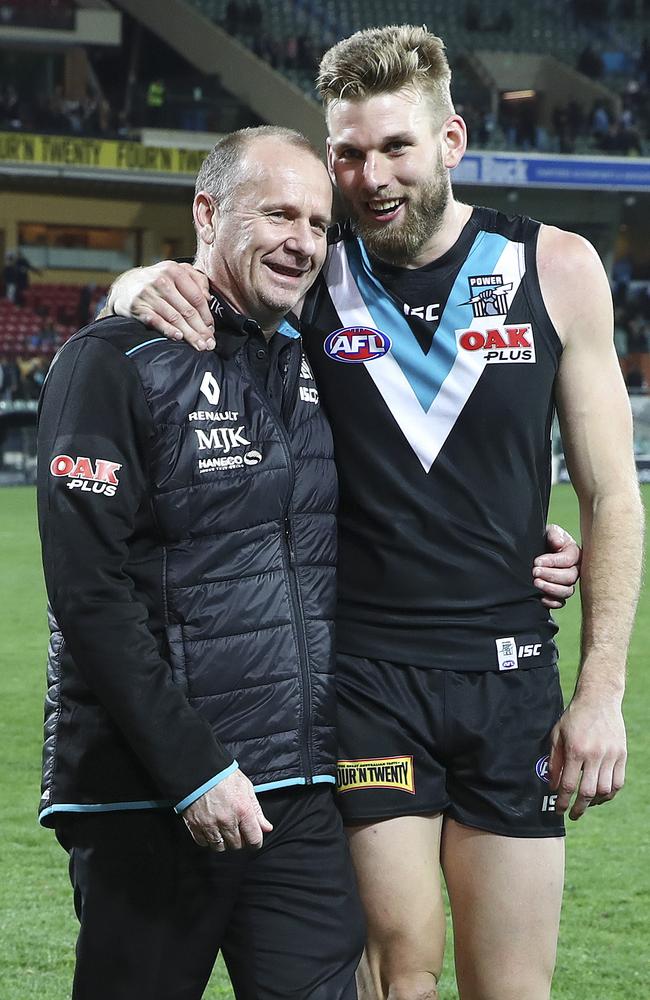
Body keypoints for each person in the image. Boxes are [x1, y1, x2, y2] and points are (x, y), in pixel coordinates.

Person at [104, 26, 628, 1000]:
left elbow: (608, 496)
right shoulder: (311, 277)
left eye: (393, 146)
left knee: (511, 986)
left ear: (451, 142)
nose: (368, 175)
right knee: (401, 974)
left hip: (510, 672)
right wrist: (133, 281)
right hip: (364, 677)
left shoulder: (553, 269)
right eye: (346, 151)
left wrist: (599, 693)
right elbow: (176, 308)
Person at [36, 126, 365, 1000]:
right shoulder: (109, 361)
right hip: (155, 797)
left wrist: (525, 552)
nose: (302, 240)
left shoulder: (310, 364)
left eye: (319, 223)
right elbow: (88, 593)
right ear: (207, 212)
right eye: (278, 214)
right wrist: (194, 771)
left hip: (297, 792)